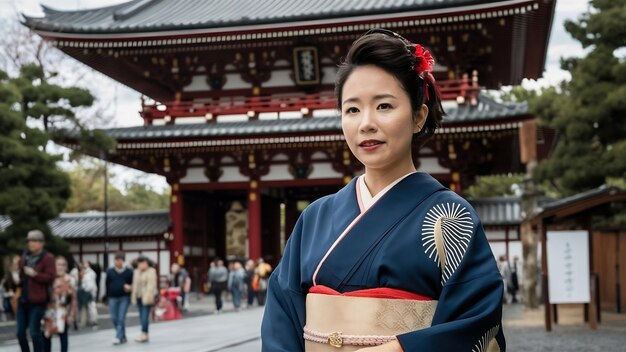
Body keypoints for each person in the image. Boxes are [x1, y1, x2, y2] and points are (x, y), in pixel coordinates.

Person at [261, 29, 505, 351]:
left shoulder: (451, 217)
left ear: (419, 116)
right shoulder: (314, 218)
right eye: (352, 109)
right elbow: (281, 316)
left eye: (384, 106)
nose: (366, 123)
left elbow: (476, 322)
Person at [16, 229, 56, 352]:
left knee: (34, 332)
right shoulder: (25, 257)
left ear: (41, 243)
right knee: (20, 333)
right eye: (29, 241)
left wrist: (35, 274)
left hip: (38, 300)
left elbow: (50, 277)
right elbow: (21, 277)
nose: (30, 243)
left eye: (33, 241)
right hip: (23, 299)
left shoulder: (48, 258)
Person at [43, 256, 77, 352]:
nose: (60, 267)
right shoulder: (49, 279)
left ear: (66, 267)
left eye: (63, 265)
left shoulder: (70, 279)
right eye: (58, 264)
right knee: (46, 336)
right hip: (48, 309)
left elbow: (74, 298)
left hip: (62, 310)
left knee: (63, 336)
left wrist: (72, 314)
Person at [105, 251, 133, 345]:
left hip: (124, 297)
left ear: (123, 261)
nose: (117, 262)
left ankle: (118, 336)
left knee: (121, 318)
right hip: (112, 297)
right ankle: (123, 335)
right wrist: (106, 297)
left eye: (119, 260)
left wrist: (130, 288)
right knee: (114, 317)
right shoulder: (110, 271)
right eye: (116, 260)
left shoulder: (129, 272)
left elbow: (133, 284)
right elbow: (107, 284)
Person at [131, 256, 157, 343]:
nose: (141, 265)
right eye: (140, 263)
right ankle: (145, 333)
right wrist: (133, 296)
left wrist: (147, 296)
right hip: (138, 296)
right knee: (141, 315)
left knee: (144, 316)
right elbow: (134, 285)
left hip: (147, 297)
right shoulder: (136, 272)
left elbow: (151, 286)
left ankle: (144, 333)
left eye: (143, 263)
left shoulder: (151, 271)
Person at [77, 261, 97, 328]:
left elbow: (91, 283)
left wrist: (87, 290)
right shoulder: (83, 272)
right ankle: (85, 321)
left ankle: (93, 320)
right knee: (84, 307)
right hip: (84, 291)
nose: (84, 264)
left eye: (85, 263)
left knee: (91, 306)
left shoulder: (91, 273)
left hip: (89, 291)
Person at [3, 255, 21, 320]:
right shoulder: (10, 273)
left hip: (21, 290)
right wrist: (10, 290)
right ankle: (16, 314)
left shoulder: (22, 271)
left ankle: (18, 314)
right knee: (12, 298)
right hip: (13, 290)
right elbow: (8, 283)